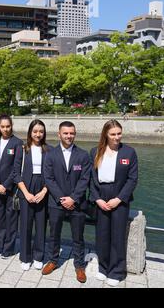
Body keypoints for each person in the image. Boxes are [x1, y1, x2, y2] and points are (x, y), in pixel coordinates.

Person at [90, 120, 138, 287]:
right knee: (102, 236)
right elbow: (92, 179)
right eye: (113, 134)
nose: (117, 137)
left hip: (119, 198)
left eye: (119, 133)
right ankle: (103, 268)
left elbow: (132, 180)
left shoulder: (129, 152)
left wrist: (119, 199)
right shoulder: (95, 152)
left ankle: (116, 271)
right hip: (101, 197)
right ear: (105, 135)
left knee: (117, 236)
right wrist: (97, 198)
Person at [42, 121, 91, 283]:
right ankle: (53, 260)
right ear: (59, 134)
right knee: (54, 234)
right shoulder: (50, 154)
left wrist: (73, 198)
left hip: (77, 203)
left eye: (72, 133)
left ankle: (79, 266)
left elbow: (85, 179)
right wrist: (62, 198)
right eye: (66, 133)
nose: (69, 136)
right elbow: (48, 178)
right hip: (56, 203)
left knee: (78, 236)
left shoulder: (83, 155)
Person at [16, 120, 51, 271]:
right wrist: (26, 193)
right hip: (26, 187)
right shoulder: (23, 149)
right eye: (35, 131)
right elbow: (15, 174)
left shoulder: (49, 150)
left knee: (41, 224)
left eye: (41, 131)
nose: (38, 134)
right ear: (30, 132)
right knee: (25, 225)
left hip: (43, 187)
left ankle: (38, 256)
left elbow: (52, 174)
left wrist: (44, 191)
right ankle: (25, 257)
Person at [0, 115, 23, 259]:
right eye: (2, 126)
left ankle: (9, 248)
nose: (5, 129)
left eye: (7, 126)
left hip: (11, 190)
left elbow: (17, 169)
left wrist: (6, 185)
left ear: (11, 126)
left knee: (11, 219)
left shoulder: (17, 143)